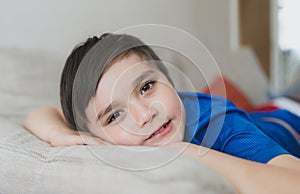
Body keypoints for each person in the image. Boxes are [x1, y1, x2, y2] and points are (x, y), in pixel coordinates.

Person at [24, 33, 300, 193]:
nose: (145, 115)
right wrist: (59, 134)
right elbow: (40, 114)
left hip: (287, 119)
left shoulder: (219, 122)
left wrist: (184, 150)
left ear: (168, 79)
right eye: (114, 115)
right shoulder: (99, 126)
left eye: (146, 87)